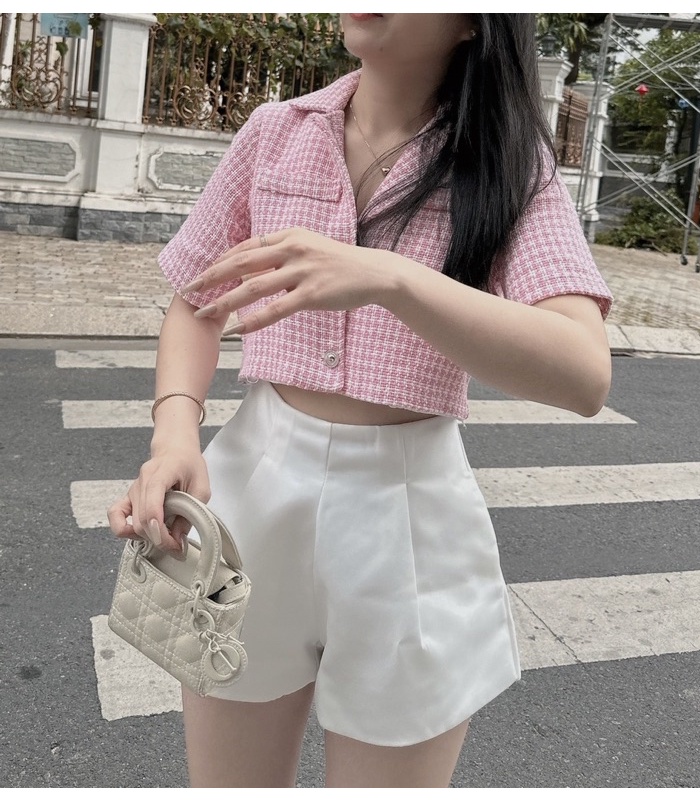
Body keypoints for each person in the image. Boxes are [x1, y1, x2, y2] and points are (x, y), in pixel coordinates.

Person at [108, 13, 613, 788]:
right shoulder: (277, 132)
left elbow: (583, 372)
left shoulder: (508, 165)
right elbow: (195, 299)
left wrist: (392, 278)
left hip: (409, 516)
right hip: (252, 488)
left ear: (475, 24)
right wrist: (174, 429)